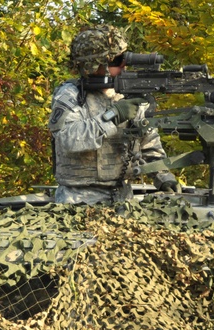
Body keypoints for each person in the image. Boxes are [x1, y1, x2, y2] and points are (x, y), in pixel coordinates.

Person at [49, 25, 179, 205]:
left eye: (124, 59)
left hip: (123, 198)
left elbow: (149, 144)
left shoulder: (126, 96)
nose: (124, 65)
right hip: (78, 200)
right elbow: (67, 138)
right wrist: (113, 116)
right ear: (94, 65)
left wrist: (164, 177)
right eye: (117, 60)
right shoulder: (71, 95)